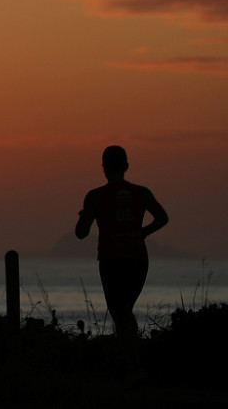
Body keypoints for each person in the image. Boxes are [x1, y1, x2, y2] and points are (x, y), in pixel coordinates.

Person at [76, 145, 168, 378]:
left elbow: (81, 233)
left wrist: (84, 215)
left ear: (104, 168)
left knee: (120, 312)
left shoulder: (95, 196)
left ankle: (135, 368)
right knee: (124, 311)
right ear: (126, 166)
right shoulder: (141, 192)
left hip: (111, 259)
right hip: (138, 259)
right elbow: (163, 218)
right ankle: (132, 366)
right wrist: (143, 231)